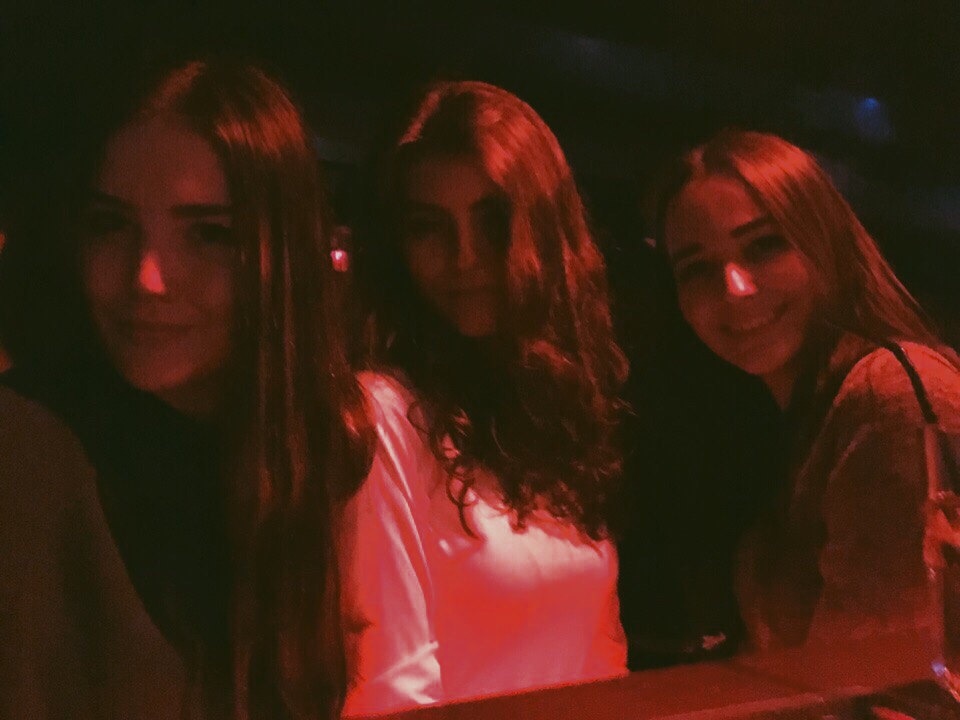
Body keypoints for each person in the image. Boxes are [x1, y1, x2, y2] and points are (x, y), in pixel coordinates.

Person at [1, 59, 373, 719]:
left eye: (208, 235)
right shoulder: (27, 451)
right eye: (111, 224)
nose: (147, 278)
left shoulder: (313, 452)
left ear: (282, 257)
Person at [342, 80, 630, 715]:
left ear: (542, 232)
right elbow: (393, 691)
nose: (464, 257)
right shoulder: (383, 415)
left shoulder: (552, 412)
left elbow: (603, 662)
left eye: (493, 221)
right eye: (429, 228)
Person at [652, 128, 960, 653]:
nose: (735, 287)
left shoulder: (890, 395)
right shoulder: (794, 417)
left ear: (824, 241)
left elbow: (880, 673)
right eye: (697, 269)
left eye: (764, 245)